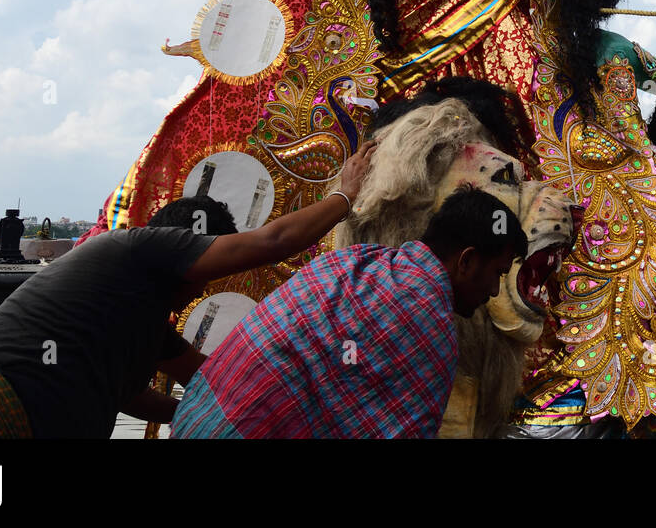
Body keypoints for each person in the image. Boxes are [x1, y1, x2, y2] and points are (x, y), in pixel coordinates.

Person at [0, 143, 376, 439]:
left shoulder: (139, 315)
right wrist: (346, 195)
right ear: (190, 246)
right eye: (211, 262)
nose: (208, 282)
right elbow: (273, 242)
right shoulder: (135, 248)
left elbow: (192, 391)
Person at [171, 186, 528, 438]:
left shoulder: (349, 261)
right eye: (497, 272)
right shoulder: (431, 332)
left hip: (195, 421)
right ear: (466, 260)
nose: (495, 289)